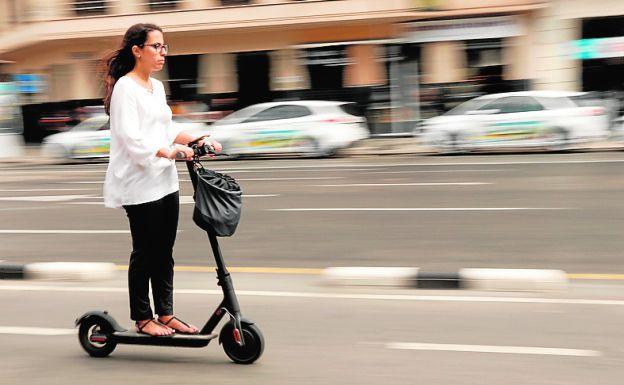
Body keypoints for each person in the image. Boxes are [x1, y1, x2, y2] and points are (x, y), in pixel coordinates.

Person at [102, 23, 222, 337]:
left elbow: (165, 129)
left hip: (164, 182)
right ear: (137, 50)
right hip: (138, 183)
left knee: (164, 251)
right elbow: (131, 139)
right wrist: (170, 153)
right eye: (155, 46)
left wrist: (196, 140)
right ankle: (143, 318)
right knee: (145, 250)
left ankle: (165, 314)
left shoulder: (156, 87)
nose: (162, 52)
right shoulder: (126, 88)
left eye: (164, 46)